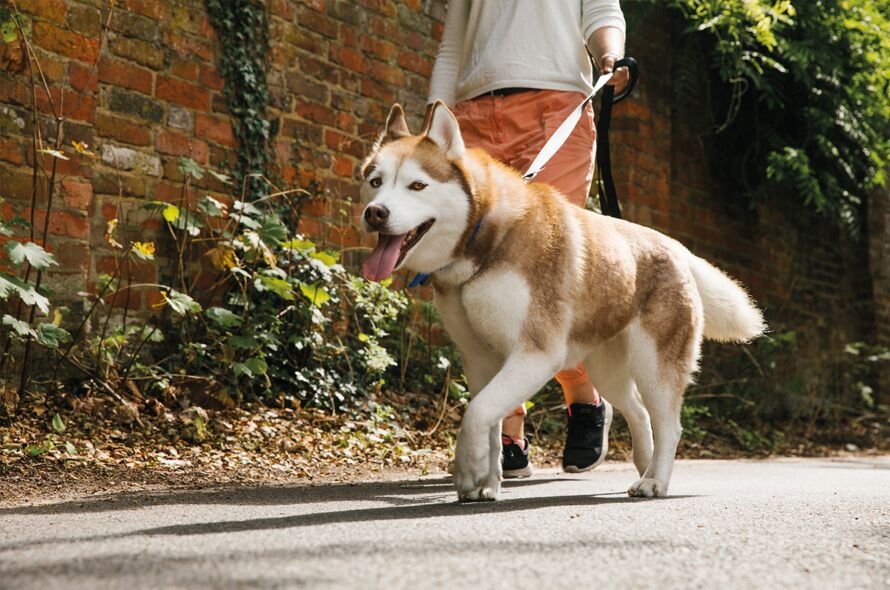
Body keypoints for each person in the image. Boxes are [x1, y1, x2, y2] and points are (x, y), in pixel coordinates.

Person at [427, 0, 629, 477]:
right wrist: (435, 127)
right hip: (472, 117)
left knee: (542, 270)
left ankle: (584, 397)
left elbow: (602, 12)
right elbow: (453, 47)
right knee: (481, 279)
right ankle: (507, 427)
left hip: (556, 107)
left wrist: (610, 57)